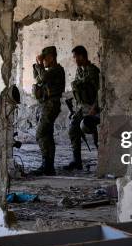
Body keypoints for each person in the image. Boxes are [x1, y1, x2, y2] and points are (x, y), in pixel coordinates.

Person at [31, 46, 65, 176]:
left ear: (51, 57)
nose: (43, 61)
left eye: (45, 58)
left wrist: (39, 65)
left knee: (40, 134)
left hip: (51, 104)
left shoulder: (56, 70)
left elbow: (43, 78)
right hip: (47, 104)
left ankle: (46, 165)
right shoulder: (49, 70)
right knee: (48, 136)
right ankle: (49, 167)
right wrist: (36, 65)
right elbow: (38, 80)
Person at [65, 45, 100, 170]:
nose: (74, 60)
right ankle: (77, 161)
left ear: (81, 56)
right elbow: (78, 91)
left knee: (98, 137)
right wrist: (74, 110)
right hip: (81, 107)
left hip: (92, 107)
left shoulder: (93, 71)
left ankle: (104, 160)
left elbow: (99, 91)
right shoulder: (79, 71)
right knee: (73, 129)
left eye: (75, 57)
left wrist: (95, 108)